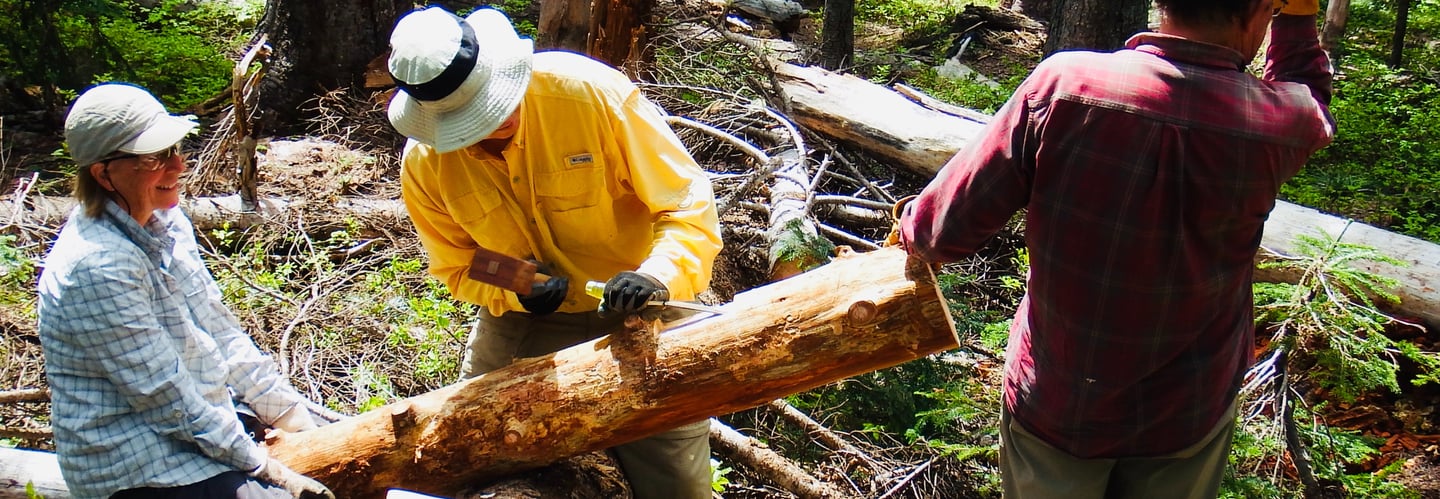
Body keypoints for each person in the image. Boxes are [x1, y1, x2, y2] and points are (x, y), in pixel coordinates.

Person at [896, 0, 1334, 497]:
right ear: (1257, 11)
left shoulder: (1064, 86)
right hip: (1187, 410)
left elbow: (938, 235)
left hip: (1058, 400)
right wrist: (1297, 18)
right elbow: (1311, 97)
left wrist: (909, 225)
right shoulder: (1275, 120)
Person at [384, 6, 722, 499]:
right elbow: (459, 263)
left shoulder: (589, 95)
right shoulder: (426, 163)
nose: (499, 118)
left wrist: (656, 276)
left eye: (497, 101)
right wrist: (519, 284)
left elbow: (686, 203)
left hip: (641, 306)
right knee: (460, 451)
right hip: (526, 321)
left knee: (677, 480)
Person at [36, 83, 337, 499]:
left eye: (174, 150)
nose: (178, 166)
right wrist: (269, 470)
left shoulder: (168, 222)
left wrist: (293, 418)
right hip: (139, 466)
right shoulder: (96, 267)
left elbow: (221, 332)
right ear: (104, 174)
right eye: (153, 158)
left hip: (203, 425)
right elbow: (166, 398)